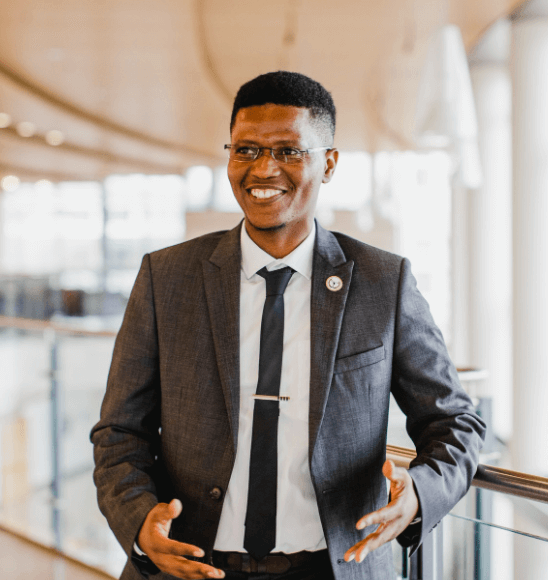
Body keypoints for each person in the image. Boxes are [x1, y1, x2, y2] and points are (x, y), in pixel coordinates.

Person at [91, 71, 486, 580]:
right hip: (192, 568)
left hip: (336, 567)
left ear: (329, 164)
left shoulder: (383, 283)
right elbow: (119, 432)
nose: (264, 169)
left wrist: (418, 495)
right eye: (247, 150)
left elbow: (455, 422)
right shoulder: (165, 277)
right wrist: (140, 523)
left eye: (290, 151)